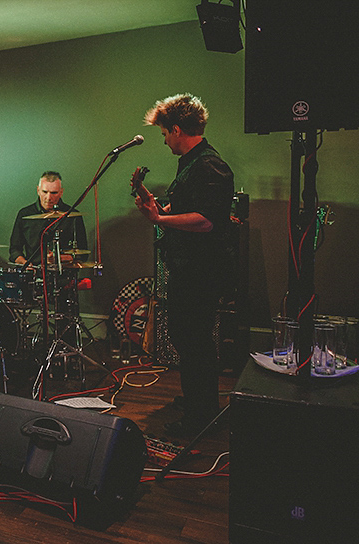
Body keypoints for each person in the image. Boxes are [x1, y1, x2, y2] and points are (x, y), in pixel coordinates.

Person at [133, 93, 234, 437]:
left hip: (199, 271)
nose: (164, 140)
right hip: (188, 267)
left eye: (164, 134)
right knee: (187, 339)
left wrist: (159, 220)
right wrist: (157, 207)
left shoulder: (208, 165)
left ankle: (201, 416)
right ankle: (197, 401)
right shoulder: (192, 164)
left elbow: (207, 221)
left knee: (194, 342)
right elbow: (189, 209)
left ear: (177, 129)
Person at [9, 171, 87, 268]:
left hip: (63, 274)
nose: (48, 197)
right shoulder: (25, 214)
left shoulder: (73, 216)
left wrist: (59, 258)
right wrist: (26, 264)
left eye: (54, 193)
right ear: (38, 190)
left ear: (61, 192)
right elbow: (14, 250)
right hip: (34, 274)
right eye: (44, 192)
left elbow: (83, 253)